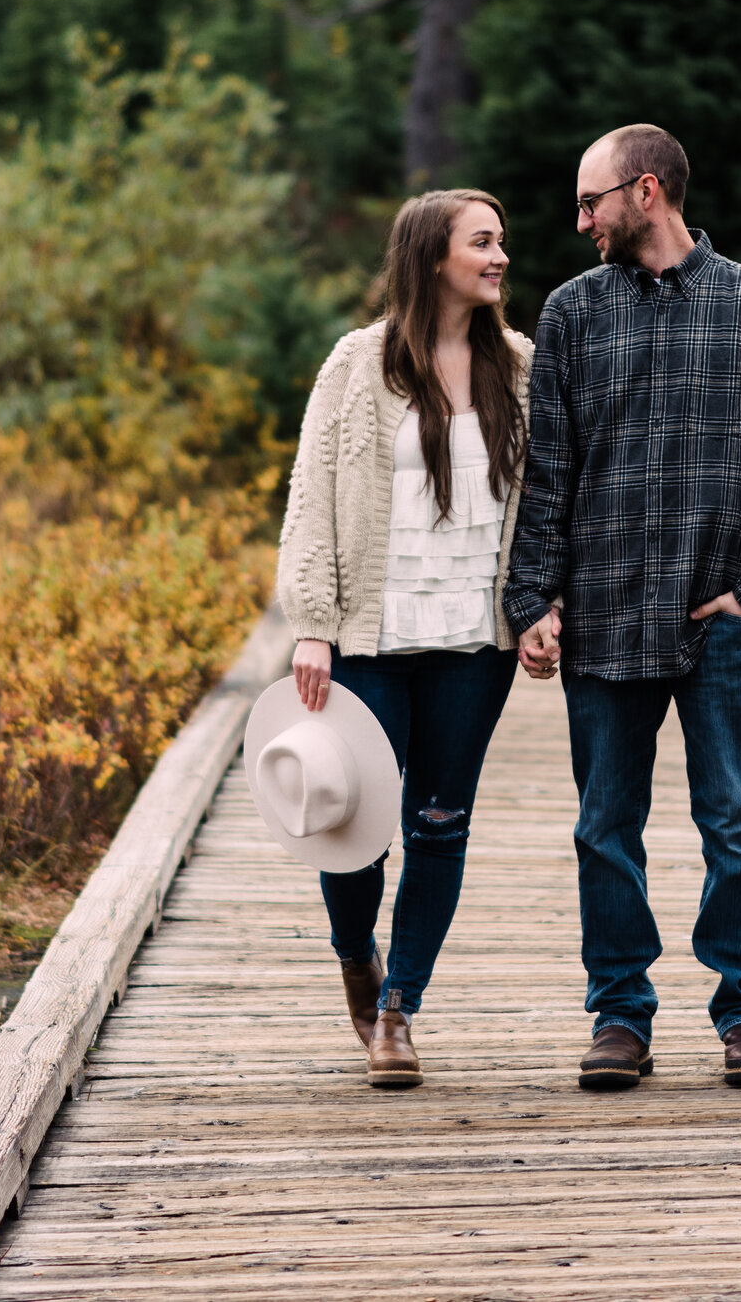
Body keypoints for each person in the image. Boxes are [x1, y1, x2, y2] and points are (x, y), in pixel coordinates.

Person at [504, 124, 741, 1091]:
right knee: (606, 826)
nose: (580, 221)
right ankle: (621, 1015)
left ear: (646, 191)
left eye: (590, 200)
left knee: (735, 820)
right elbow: (547, 473)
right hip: (603, 618)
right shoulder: (571, 314)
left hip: (721, 622)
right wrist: (534, 600)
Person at [275, 188, 534, 1088]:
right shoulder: (356, 365)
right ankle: (357, 951)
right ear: (432, 257)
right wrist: (311, 626)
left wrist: (539, 609)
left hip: (475, 641)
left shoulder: (521, 367)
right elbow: (310, 497)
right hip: (370, 637)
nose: (500, 257)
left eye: (501, 243)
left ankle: (399, 1010)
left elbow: (539, 506)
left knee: (439, 823)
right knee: (353, 822)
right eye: (483, 242)